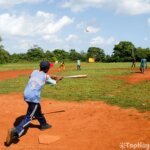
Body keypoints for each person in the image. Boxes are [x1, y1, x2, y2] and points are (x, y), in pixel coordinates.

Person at [6, 61, 63, 146]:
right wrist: (58, 78)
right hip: (33, 97)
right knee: (29, 116)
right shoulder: (45, 76)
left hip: (26, 95)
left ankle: (44, 124)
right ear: (47, 69)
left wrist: (52, 76)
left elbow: (42, 77)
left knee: (37, 109)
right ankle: (15, 132)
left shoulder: (34, 71)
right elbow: (53, 82)